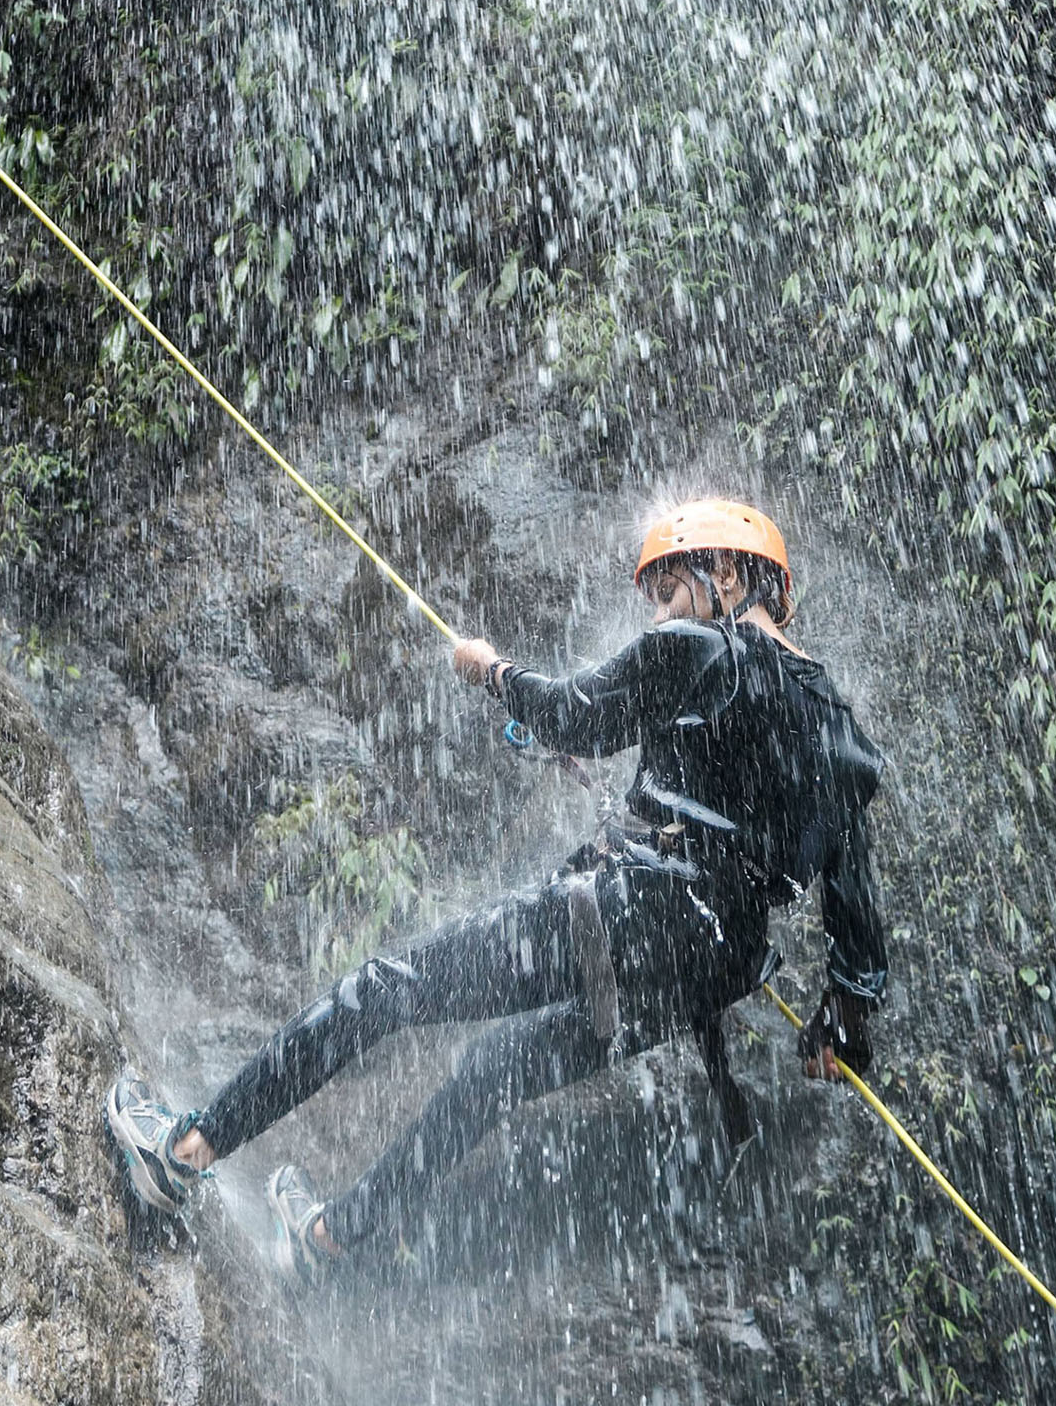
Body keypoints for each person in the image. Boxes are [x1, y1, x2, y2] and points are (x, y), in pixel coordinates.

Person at [105, 496, 888, 1275]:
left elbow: (577, 715)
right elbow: (855, 945)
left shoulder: (704, 648)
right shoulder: (841, 732)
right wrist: (833, 1028)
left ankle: (179, 1151)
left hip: (630, 914)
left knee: (389, 987)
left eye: (669, 590)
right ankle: (330, 1241)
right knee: (495, 1073)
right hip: (706, 969)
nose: (658, 616)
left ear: (724, 571)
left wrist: (493, 674)